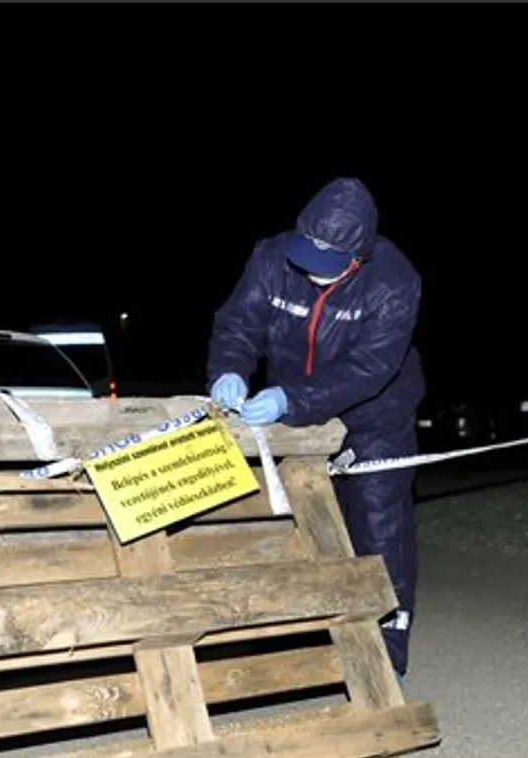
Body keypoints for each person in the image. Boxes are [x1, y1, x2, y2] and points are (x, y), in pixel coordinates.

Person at [205, 177, 424, 686]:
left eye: (329, 265)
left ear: (359, 257)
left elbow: (373, 365)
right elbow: (238, 325)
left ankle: (387, 654)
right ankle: (308, 641)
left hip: (374, 414)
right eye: (307, 255)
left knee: (376, 523)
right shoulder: (272, 257)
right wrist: (228, 371)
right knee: (299, 522)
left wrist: (292, 400)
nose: (311, 270)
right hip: (294, 419)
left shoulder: (395, 280)